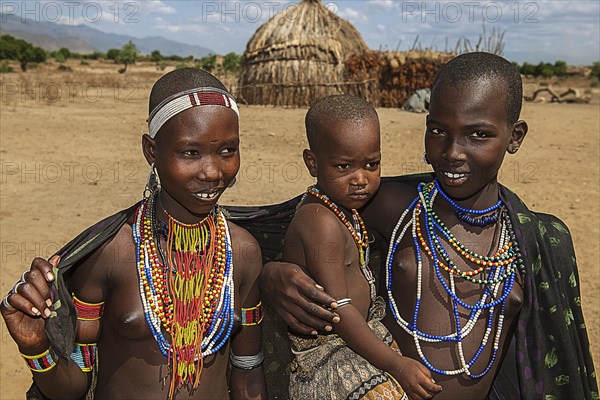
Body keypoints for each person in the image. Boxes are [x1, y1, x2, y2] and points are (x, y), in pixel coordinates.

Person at [261, 52, 598, 400]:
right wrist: (270, 275)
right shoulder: (395, 205)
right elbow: (296, 232)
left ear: (514, 137)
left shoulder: (537, 242)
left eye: (479, 134)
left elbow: (558, 358)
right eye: (438, 130)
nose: (453, 152)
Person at [1, 68, 267, 400]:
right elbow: (71, 390)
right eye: (189, 152)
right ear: (151, 151)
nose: (212, 172)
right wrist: (37, 347)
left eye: (227, 150)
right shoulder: (110, 253)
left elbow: (248, 370)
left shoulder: (243, 252)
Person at [284, 95, 441, 399]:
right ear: (312, 163)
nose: (360, 179)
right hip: (331, 358)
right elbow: (338, 310)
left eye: (372, 164)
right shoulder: (320, 220)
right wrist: (396, 364)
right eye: (343, 166)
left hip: (360, 340)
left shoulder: (344, 210)